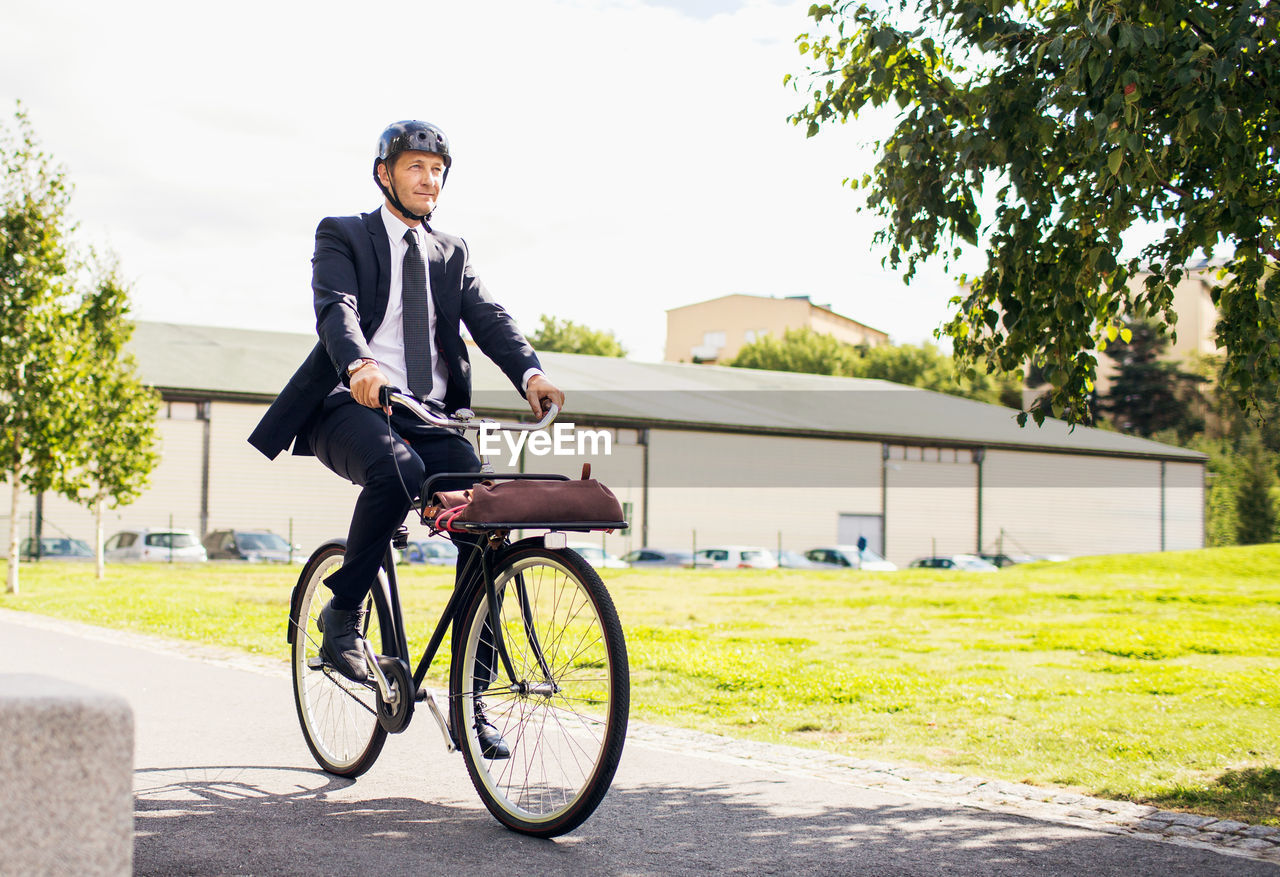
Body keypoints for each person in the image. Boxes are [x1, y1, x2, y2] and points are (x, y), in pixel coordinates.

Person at [249, 120, 564, 758]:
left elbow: (490, 317)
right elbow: (334, 306)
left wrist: (531, 372)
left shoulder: (452, 252)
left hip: (431, 414)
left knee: (485, 521)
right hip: (348, 402)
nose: (429, 179)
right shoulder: (344, 234)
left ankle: (473, 701)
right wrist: (359, 364)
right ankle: (342, 615)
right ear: (384, 174)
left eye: (438, 170)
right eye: (416, 167)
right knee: (394, 469)